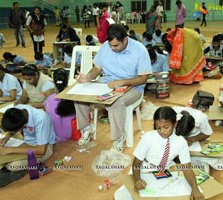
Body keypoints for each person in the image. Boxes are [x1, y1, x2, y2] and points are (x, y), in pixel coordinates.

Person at [75, 24, 152, 152]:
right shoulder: (107, 46)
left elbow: (143, 78)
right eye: (110, 45)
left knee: (116, 102)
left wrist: (122, 82)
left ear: (125, 40)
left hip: (133, 86)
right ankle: (87, 128)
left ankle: (119, 137)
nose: (112, 48)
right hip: (107, 83)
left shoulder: (140, 50)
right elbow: (97, 68)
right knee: (79, 96)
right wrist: (87, 78)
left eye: (116, 46)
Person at [114, 107, 204, 200]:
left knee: (177, 192)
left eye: (166, 127)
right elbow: (137, 162)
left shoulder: (181, 142)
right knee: (127, 195)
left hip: (166, 169)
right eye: (158, 127)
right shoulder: (148, 138)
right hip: (145, 168)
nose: (162, 131)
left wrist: (195, 189)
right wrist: (137, 179)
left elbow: (187, 167)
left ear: (175, 124)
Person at [0, 104, 56, 188]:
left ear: (23, 126)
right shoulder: (17, 110)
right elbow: (14, 125)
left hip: (45, 147)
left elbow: (41, 150)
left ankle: (14, 170)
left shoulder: (41, 119)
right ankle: (14, 168)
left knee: (12, 165)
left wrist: (9, 149)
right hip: (26, 141)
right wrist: (6, 137)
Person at [173, 106, 223, 173]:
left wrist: (192, 139)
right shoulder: (170, 115)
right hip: (175, 138)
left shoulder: (201, 118)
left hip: (196, 138)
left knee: (212, 158)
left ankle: (201, 164)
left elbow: (207, 133)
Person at [44, 68, 76, 142]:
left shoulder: (48, 100)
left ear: (54, 81)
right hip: (73, 133)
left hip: (56, 135)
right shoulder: (74, 96)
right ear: (67, 80)